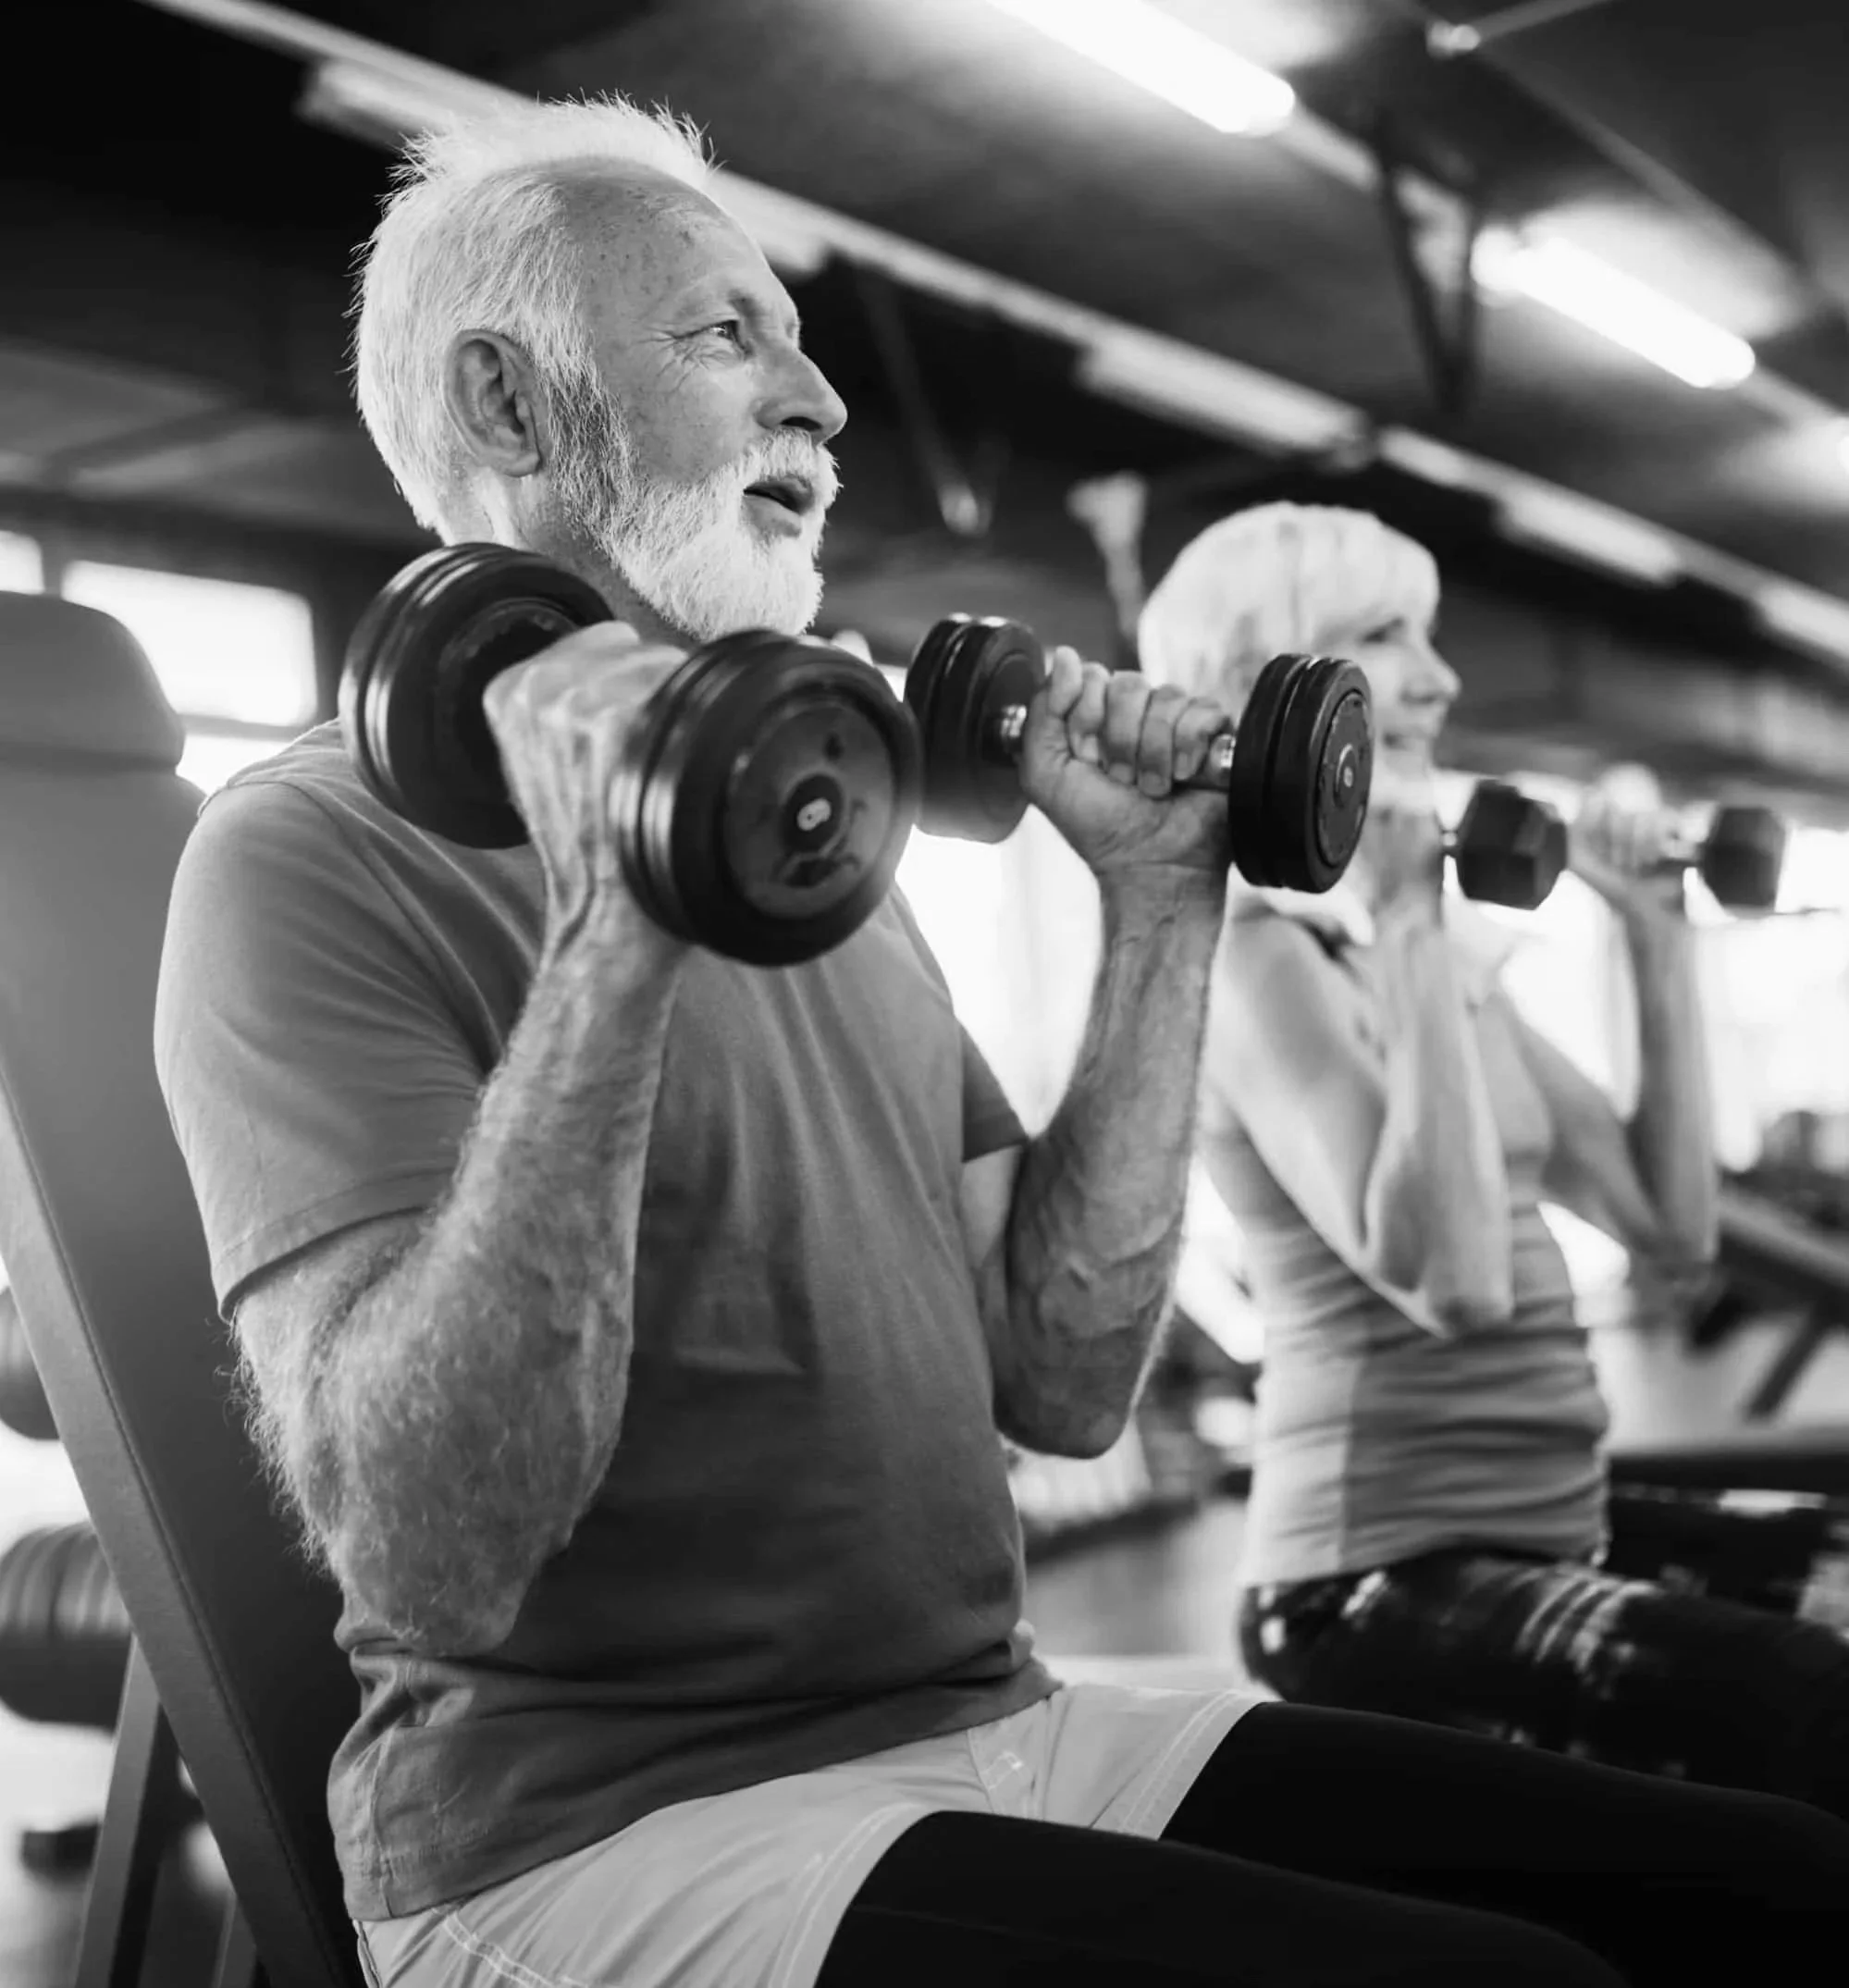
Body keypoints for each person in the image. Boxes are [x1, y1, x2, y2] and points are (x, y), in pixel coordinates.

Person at [152, 101, 1849, 1988]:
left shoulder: (831, 864)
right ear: (510, 405)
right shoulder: (297, 855)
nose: (824, 401)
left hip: (1002, 1727)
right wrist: (617, 922)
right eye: (729, 336)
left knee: (1767, 1882)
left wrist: (1159, 905)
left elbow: (1061, 1377)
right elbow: (428, 1547)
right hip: (592, 1840)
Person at [1140, 500, 1849, 1823]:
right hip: (1365, 1584)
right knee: (1817, 1697)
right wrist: (1406, 918)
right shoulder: (1251, 962)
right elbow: (1451, 1282)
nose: (1443, 677)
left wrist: (1650, 938)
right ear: (1269, 692)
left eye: (1429, 633)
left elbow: (1670, 1232)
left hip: (1550, 1521)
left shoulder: (1453, 980)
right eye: (1383, 637)